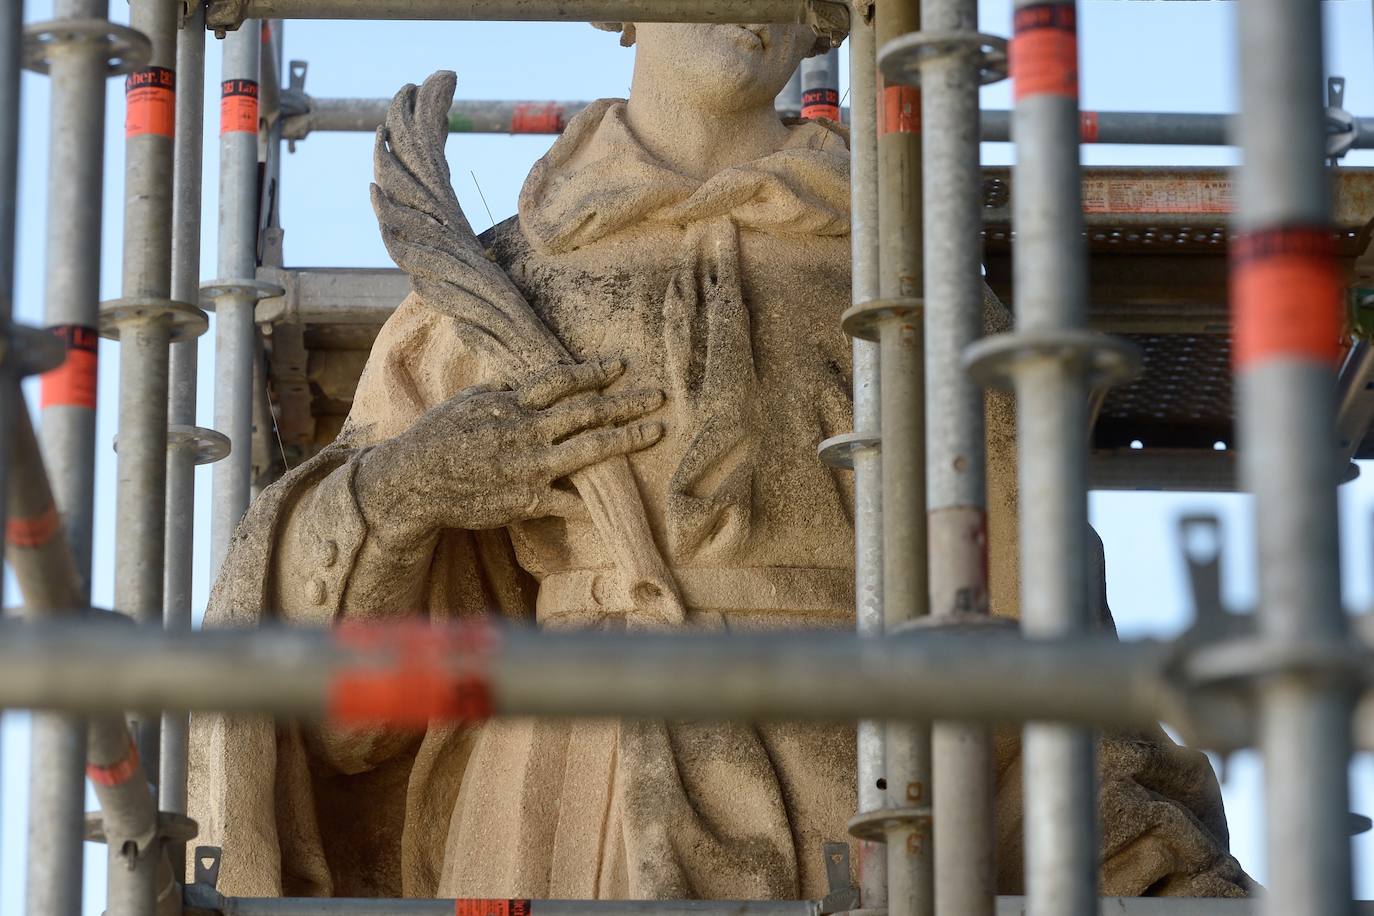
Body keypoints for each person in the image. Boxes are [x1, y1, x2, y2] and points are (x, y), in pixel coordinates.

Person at [190, 19, 1249, 902]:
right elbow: (332, 705)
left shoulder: (912, 294)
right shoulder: (500, 285)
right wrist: (406, 490)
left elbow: (1033, 618)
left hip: (851, 794)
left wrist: (1148, 859)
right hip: (567, 792)